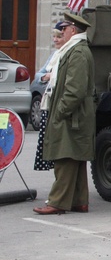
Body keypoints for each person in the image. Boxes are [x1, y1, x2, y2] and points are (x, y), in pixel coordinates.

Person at [33, 12, 96, 215]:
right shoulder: (75, 50)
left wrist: (59, 112)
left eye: (64, 28)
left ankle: (58, 201)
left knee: (65, 157)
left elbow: (74, 90)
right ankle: (79, 201)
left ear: (72, 30)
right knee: (75, 158)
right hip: (75, 115)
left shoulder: (76, 52)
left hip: (72, 115)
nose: (61, 31)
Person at [33, 21, 69, 172]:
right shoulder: (54, 55)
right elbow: (38, 76)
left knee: (59, 149)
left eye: (59, 37)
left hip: (58, 103)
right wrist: (46, 76)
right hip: (48, 102)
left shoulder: (67, 55)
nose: (55, 40)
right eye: (54, 36)